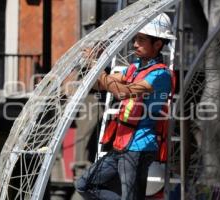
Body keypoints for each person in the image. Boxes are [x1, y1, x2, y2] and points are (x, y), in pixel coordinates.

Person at [75, 13, 176, 200]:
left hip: (139, 147)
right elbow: (104, 84)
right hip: (121, 145)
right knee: (84, 185)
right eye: (135, 38)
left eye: (141, 40)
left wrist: (96, 65)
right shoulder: (134, 68)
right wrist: (91, 69)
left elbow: (122, 92)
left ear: (157, 44)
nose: (135, 44)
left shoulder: (161, 74)